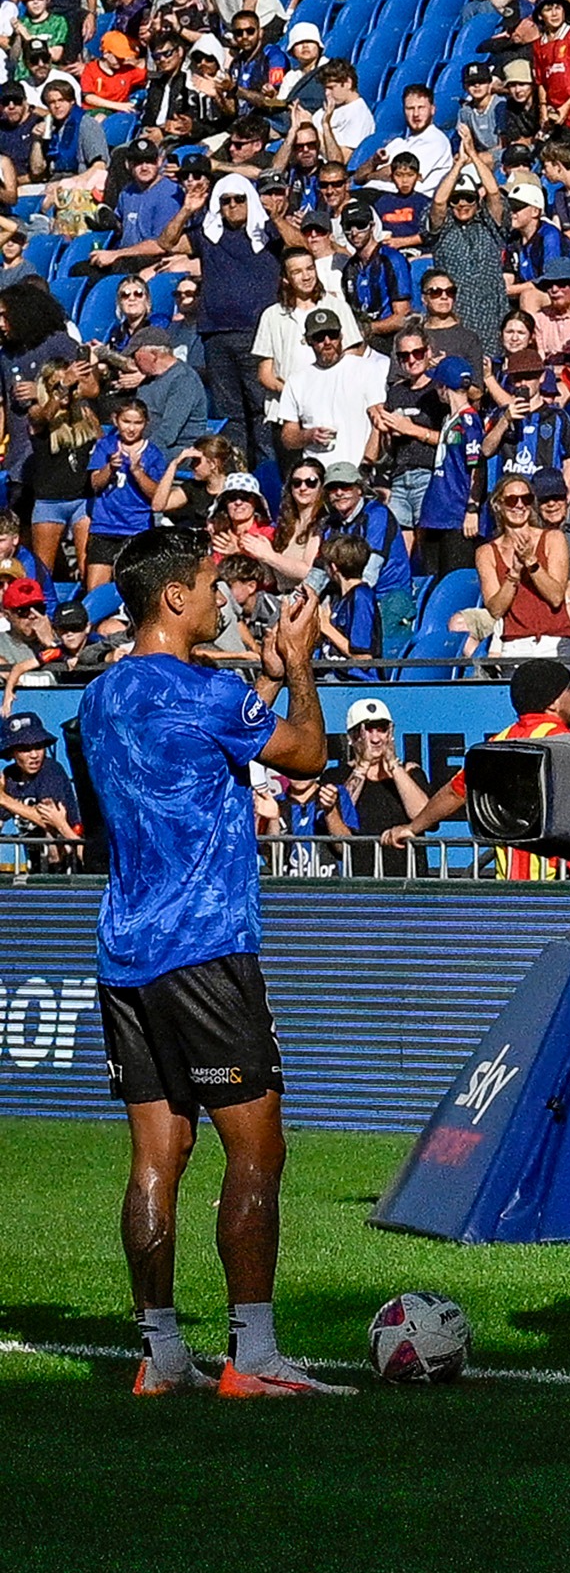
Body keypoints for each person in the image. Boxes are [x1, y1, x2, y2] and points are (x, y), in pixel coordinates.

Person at [91, 537, 335, 1395]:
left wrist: (257, 685)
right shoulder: (202, 689)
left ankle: (159, 1357)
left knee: (157, 1157)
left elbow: (198, 757)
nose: (221, 600)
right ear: (171, 600)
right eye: (207, 588)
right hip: (205, 947)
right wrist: (297, 666)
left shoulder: (101, 696)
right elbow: (306, 756)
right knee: (256, 1150)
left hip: (125, 952)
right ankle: (255, 1357)